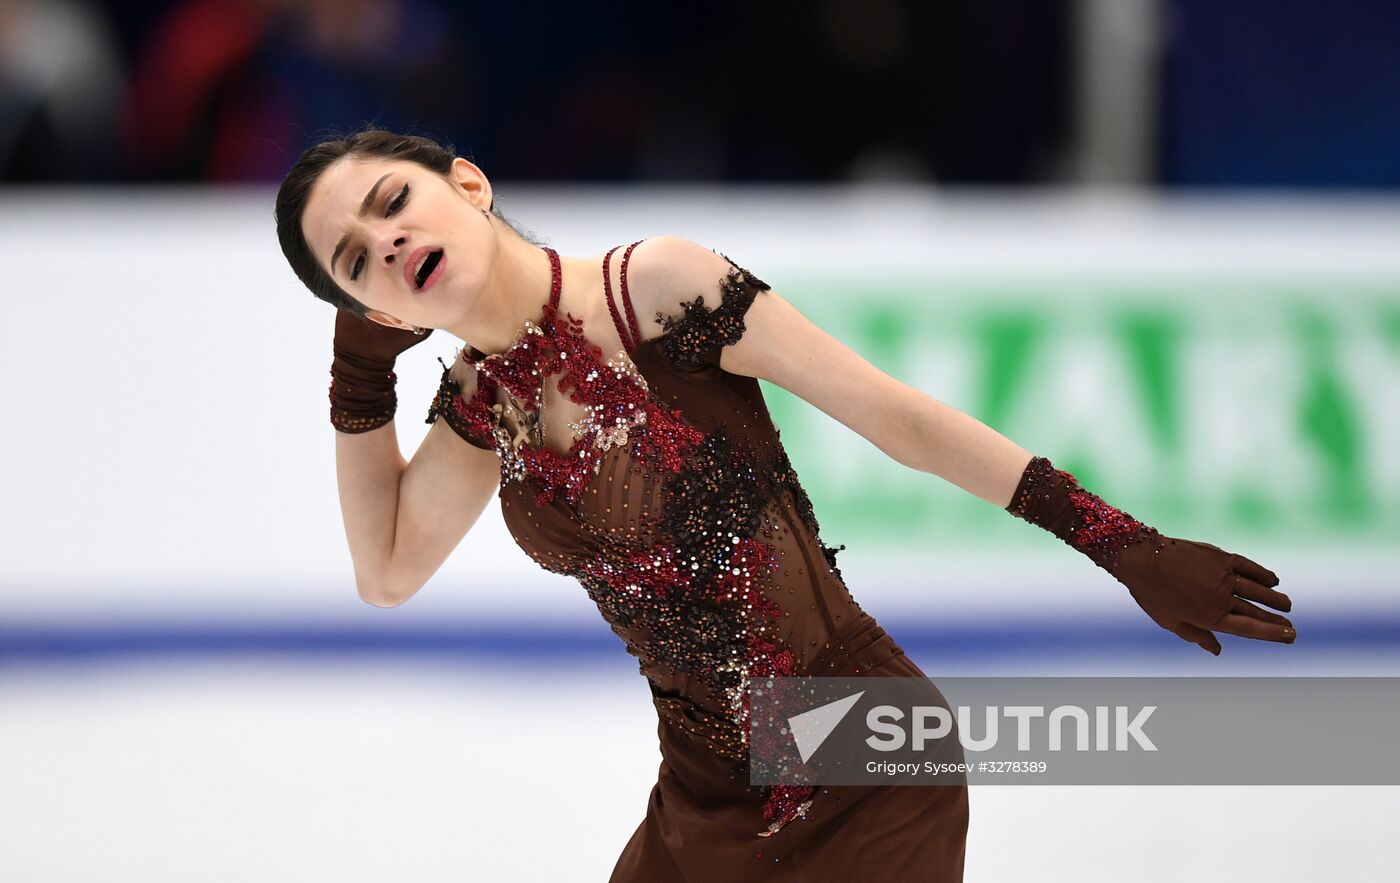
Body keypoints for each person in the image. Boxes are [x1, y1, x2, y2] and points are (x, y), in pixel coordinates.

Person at [274, 128, 1296, 882]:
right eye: (356, 261)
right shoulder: (476, 405)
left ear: (466, 181)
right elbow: (389, 569)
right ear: (378, 311)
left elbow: (895, 418)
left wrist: (1120, 543)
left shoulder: (658, 287)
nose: (388, 239)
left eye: (391, 201)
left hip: (862, 756)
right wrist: (356, 383)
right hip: (698, 802)